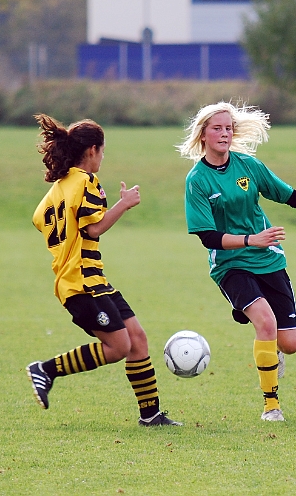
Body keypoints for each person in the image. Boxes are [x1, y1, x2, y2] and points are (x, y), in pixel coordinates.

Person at [180, 101, 296, 422]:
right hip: (230, 265)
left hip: (268, 259)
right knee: (266, 324)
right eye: (217, 128)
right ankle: (271, 405)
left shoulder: (248, 166)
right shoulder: (197, 180)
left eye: (228, 128)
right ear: (203, 134)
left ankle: (266, 338)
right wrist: (250, 239)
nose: (225, 133)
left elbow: (290, 195)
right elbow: (208, 237)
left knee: (290, 344)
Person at [26, 114, 181, 427]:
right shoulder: (86, 182)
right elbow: (94, 228)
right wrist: (124, 204)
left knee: (137, 338)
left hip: (92, 281)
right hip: (81, 283)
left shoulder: (58, 188)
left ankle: (150, 415)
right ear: (92, 150)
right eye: (103, 152)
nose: (102, 159)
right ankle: (46, 369)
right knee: (119, 347)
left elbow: (39, 219)